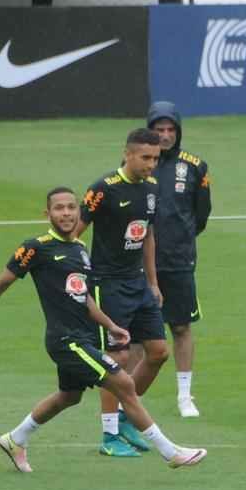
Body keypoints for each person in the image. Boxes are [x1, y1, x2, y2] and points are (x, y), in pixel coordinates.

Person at [0, 187, 205, 471]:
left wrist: (111, 325)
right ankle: (170, 452)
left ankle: (15, 438)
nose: (66, 213)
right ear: (47, 214)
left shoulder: (80, 250)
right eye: (59, 208)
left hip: (82, 336)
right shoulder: (36, 247)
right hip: (65, 341)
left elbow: (82, 297)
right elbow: (1, 283)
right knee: (123, 383)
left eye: (71, 207)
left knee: (69, 396)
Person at [74, 128, 171, 457]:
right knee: (118, 358)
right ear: (127, 154)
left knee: (158, 352)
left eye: (155, 158)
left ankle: (126, 414)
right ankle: (109, 437)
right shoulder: (104, 189)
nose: (151, 164)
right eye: (145, 157)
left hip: (138, 283)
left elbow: (147, 236)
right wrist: (73, 275)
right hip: (107, 283)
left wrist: (154, 283)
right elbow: (74, 233)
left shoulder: (152, 189)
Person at [147, 101, 213, 418]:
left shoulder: (195, 166)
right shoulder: (137, 162)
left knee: (181, 326)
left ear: (179, 131)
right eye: (159, 130)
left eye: (170, 129)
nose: (165, 135)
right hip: (140, 263)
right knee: (136, 335)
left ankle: (185, 397)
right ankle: (129, 397)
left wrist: (181, 240)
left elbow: (202, 215)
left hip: (178, 260)